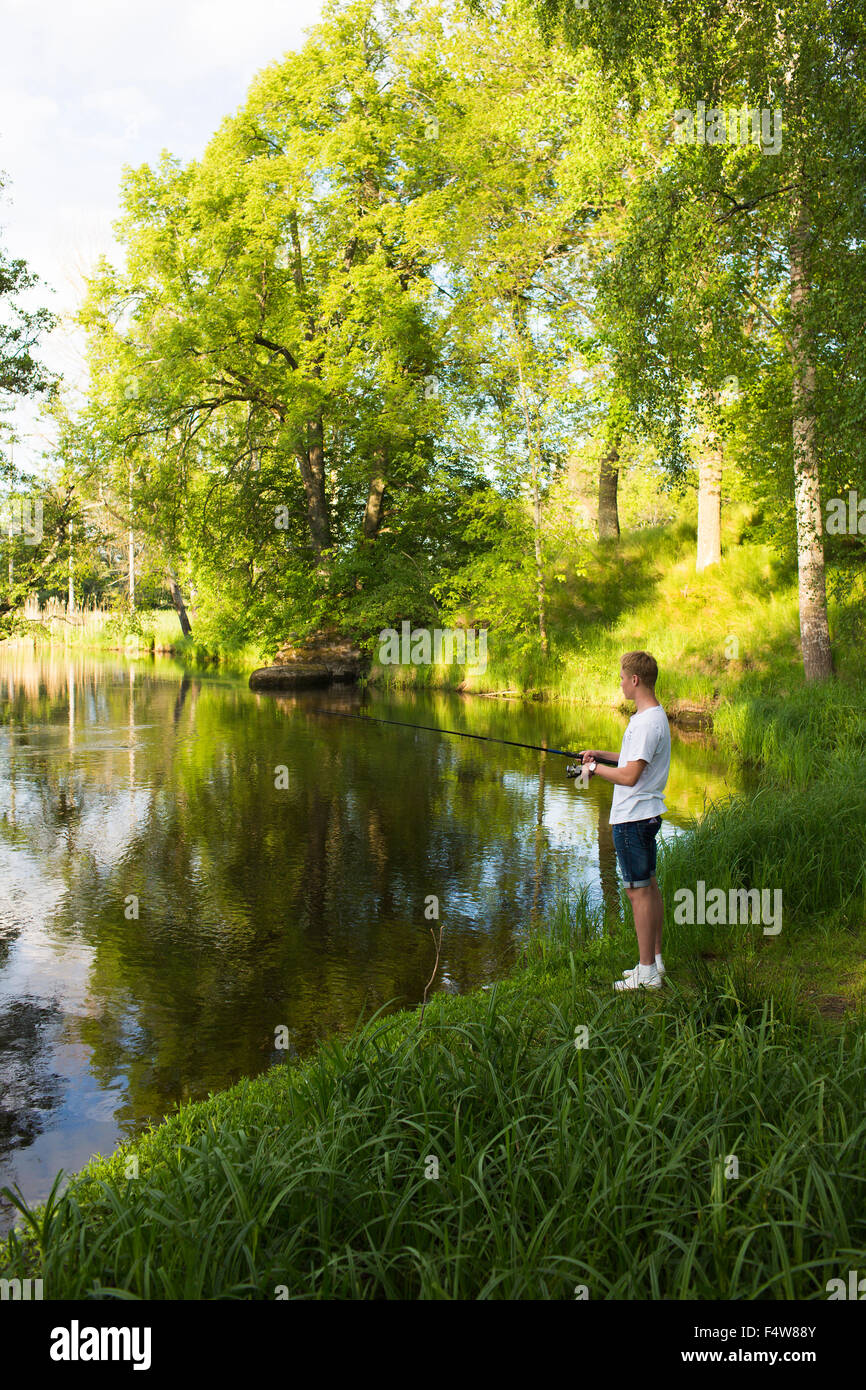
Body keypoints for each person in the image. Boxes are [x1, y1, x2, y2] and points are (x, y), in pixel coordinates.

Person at [579, 651, 671, 991]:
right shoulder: (650, 717)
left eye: (621, 678)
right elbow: (633, 759)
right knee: (648, 888)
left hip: (633, 819)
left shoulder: (647, 723)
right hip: (642, 817)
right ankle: (654, 962)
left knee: (638, 893)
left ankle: (646, 972)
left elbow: (631, 775)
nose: (619, 683)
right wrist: (601, 754)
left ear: (635, 680)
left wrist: (592, 770)